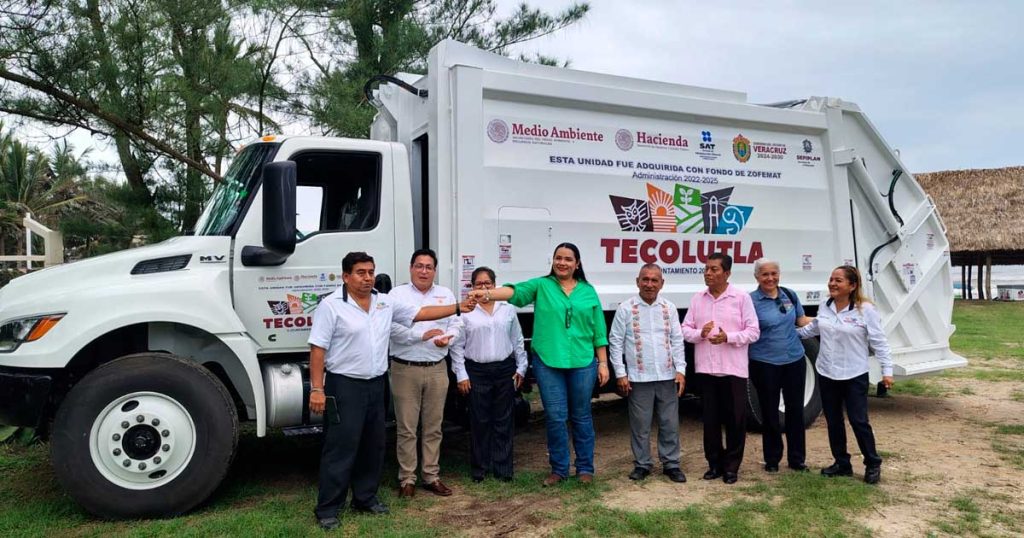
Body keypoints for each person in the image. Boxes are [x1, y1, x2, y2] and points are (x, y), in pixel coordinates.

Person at [308, 251, 468, 530]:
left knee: (373, 444)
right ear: (346, 276)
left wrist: (457, 307)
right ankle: (328, 508)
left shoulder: (384, 302)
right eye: (360, 272)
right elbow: (318, 350)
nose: (367, 277)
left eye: (370, 272)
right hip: (344, 384)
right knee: (341, 447)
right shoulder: (331, 306)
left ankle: (365, 498)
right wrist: (317, 389)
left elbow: (421, 314)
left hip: (377, 383)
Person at [468, 242, 610, 486]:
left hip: (582, 362)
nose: (562, 263)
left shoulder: (588, 291)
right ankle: (559, 469)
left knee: (582, 416)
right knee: (555, 417)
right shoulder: (542, 286)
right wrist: (487, 294)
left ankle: (585, 468)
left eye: (568, 259)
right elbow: (514, 292)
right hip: (548, 363)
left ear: (577, 264)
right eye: (558, 258)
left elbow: (598, 330)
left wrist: (603, 362)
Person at [797, 265, 894, 484]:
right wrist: (789, 334)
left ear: (852, 285)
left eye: (838, 280)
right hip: (827, 372)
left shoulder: (865, 310)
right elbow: (814, 329)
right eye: (831, 279)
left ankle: (872, 463)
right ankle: (842, 463)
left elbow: (880, 342)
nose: (832, 283)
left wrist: (887, 371)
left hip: (854, 374)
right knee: (834, 421)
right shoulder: (826, 305)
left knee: (859, 421)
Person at [389, 249, 462, 498]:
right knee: (406, 428)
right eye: (419, 266)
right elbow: (390, 329)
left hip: (437, 369)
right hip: (405, 369)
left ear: (434, 270)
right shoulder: (396, 295)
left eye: (428, 267)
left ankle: (431, 476)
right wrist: (419, 335)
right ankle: (406, 479)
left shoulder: (446, 295)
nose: (423, 271)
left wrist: (448, 338)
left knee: (433, 427)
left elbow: (457, 324)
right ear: (410, 268)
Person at [681, 252, 760, 485]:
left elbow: (754, 331)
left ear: (727, 273)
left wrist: (729, 337)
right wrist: (700, 333)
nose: (708, 273)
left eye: (714, 269)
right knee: (711, 421)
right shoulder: (698, 299)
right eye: (706, 269)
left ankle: (732, 467)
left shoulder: (741, 298)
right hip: (706, 369)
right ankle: (714, 464)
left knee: (736, 420)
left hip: (733, 369)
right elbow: (684, 329)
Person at [608, 264, 688, 483]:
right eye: (645, 279)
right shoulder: (626, 308)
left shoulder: (669, 308)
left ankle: (671, 464)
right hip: (638, 377)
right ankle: (642, 464)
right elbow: (615, 342)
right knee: (640, 425)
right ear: (637, 281)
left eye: (654, 280)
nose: (649, 284)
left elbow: (677, 339)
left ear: (662, 283)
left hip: (667, 375)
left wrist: (680, 369)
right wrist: (621, 373)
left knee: (669, 423)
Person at [450, 267, 528, 482]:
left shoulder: (507, 308)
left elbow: (517, 340)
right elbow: (457, 346)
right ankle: (480, 470)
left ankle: (503, 470)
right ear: (472, 287)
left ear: (495, 286)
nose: (484, 287)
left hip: (504, 370)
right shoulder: (466, 311)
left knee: (504, 420)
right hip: (476, 371)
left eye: (488, 284)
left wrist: (521, 367)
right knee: (479, 421)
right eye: (479, 284)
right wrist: (461, 375)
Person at [748, 258, 814, 473]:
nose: (770, 278)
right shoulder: (751, 301)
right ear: (757, 277)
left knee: (795, 411)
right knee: (770, 412)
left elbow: (802, 320)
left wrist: (831, 320)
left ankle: (797, 459)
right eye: (765, 274)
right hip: (765, 363)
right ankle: (772, 459)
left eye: (774, 273)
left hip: (794, 360)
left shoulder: (789, 295)